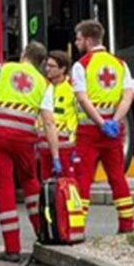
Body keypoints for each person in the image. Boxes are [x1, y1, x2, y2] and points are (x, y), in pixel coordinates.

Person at [0, 41, 61, 262]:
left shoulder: (3, 69)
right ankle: (43, 236)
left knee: (4, 188)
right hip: (25, 140)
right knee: (31, 183)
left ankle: (12, 249)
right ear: (40, 63)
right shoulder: (44, 84)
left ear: (24, 54)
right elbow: (49, 122)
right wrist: (55, 157)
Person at [71, 20, 134, 233]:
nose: (76, 42)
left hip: (89, 132)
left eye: (79, 39)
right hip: (113, 131)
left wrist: (100, 122)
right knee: (117, 177)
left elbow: (83, 99)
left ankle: (77, 228)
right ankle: (127, 226)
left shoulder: (82, 65)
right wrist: (115, 121)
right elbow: (128, 96)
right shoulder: (120, 64)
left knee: (83, 180)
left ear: (89, 40)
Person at [40, 50, 78, 179]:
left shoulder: (73, 89)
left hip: (66, 147)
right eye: (46, 65)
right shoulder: (43, 86)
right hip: (44, 146)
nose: (47, 69)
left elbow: (80, 117)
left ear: (62, 69)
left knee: (68, 186)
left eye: (51, 66)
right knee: (46, 187)